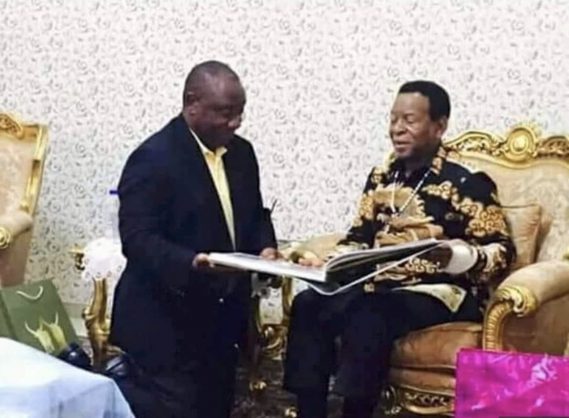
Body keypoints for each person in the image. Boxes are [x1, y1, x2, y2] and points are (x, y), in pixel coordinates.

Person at [283, 80, 516, 418]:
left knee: (369, 314)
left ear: (439, 126)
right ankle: (310, 410)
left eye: (409, 120)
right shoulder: (382, 178)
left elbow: (502, 250)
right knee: (309, 303)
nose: (397, 129)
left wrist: (457, 256)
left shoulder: (466, 183)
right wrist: (328, 262)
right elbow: (359, 237)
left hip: (439, 291)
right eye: (393, 119)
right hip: (379, 284)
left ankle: (356, 413)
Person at [109, 60, 278, 418]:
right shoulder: (153, 158)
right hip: (165, 323)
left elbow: (255, 214)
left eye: (240, 113)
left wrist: (266, 247)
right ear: (192, 103)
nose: (235, 122)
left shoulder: (242, 154)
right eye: (225, 113)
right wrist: (191, 262)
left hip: (221, 322)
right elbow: (137, 239)